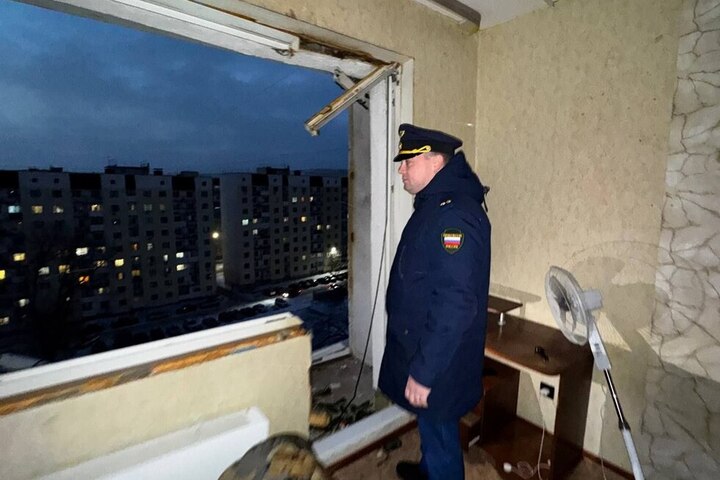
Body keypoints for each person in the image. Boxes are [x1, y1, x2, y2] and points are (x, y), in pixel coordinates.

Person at [378, 123, 491, 480]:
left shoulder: (452, 216)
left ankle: (438, 472)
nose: (401, 169)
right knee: (432, 427)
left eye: (408, 162)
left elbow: (456, 304)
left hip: (440, 362)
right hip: (427, 349)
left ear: (434, 161)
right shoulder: (435, 206)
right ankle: (429, 471)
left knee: (441, 433)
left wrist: (424, 373)